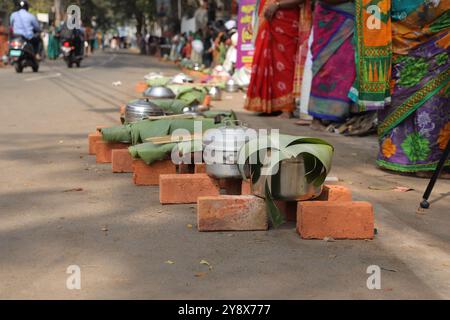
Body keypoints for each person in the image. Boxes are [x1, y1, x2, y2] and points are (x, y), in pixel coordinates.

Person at [352, 0, 449, 177]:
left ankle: (427, 162)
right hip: (401, 25)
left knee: (434, 97)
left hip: (438, 28)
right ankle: (410, 161)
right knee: (424, 94)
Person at [244, 0, 306, 118]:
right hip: (268, 18)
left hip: (285, 19)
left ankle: (286, 108)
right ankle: (270, 106)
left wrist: (277, 5)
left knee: (285, 62)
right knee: (267, 60)